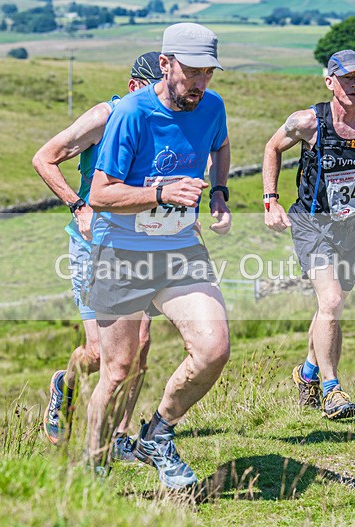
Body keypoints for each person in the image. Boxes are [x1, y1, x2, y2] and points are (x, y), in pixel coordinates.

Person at [85, 22, 231, 489]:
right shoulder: (131, 113)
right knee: (119, 371)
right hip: (122, 252)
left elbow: (220, 144)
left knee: (213, 349)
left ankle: (158, 433)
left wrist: (220, 194)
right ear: (165, 65)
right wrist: (163, 190)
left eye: (208, 73)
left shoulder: (212, 106)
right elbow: (101, 194)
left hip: (181, 248)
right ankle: (92, 468)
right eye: (192, 72)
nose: (200, 83)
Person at [262, 50, 355, 420]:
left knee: (333, 306)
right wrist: (270, 201)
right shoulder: (308, 122)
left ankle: (307, 373)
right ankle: (332, 390)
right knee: (330, 302)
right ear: (330, 82)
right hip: (312, 224)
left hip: (354, 227)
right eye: (347, 78)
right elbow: (272, 148)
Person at [32, 53, 162, 457]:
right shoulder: (103, 118)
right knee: (99, 354)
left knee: (140, 342)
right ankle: (65, 385)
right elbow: (44, 158)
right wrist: (78, 205)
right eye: (155, 90)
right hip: (92, 244)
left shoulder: (163, 123)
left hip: (140, 245)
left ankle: (120, 437)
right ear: (134, 86)